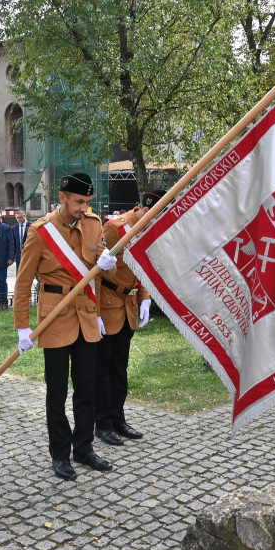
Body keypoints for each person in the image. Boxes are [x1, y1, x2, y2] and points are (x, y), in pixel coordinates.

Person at [14, 173, 119, 481]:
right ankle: (60, 453)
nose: (83, 208)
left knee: (87, 389)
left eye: (87, 202)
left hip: (86, 317)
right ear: (62, 198)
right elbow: (22, 283)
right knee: (57, 392)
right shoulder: (40, 232)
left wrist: (104, 263)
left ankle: (84, 448)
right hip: (54, 318)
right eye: (78, 202)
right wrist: (23, 326)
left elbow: (95, 266)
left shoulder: (92, 223)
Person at [94, 190, 164, 446]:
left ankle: (118, 419)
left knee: (119, 369)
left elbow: (140, 266)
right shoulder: (114, 229)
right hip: (109, 307)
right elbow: (98, 272)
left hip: (128, 307)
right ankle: (102, 424)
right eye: (154, 217)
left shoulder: (144, 228)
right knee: (102, 372)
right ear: (145, 211)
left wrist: (144, 297)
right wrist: (97, 312)